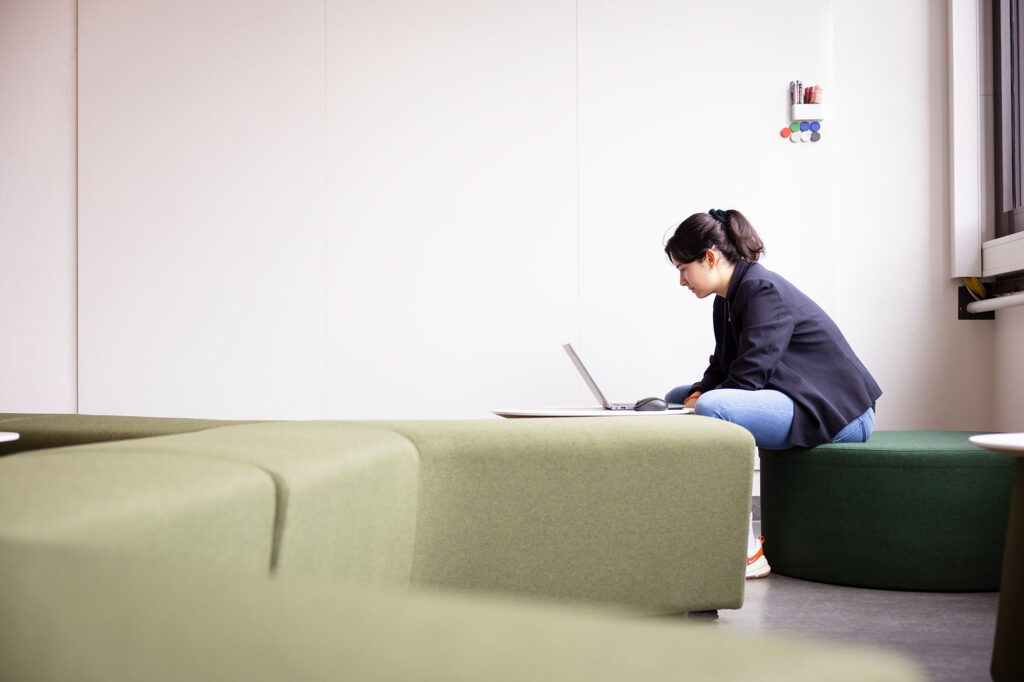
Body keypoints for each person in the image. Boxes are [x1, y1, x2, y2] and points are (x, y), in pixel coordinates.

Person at [663, 208, 881, 579]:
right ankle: (693, 526)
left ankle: (746, 549)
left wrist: (706, 399)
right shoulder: (727, 299)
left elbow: (749, 376)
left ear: (710, 257)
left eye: (684, 269)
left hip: (839, 413)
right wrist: (696, 392)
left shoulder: (762, 289)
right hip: (794, 399)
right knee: (674, 397)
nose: (682, 281)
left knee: (714, 406)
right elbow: (722, 366)